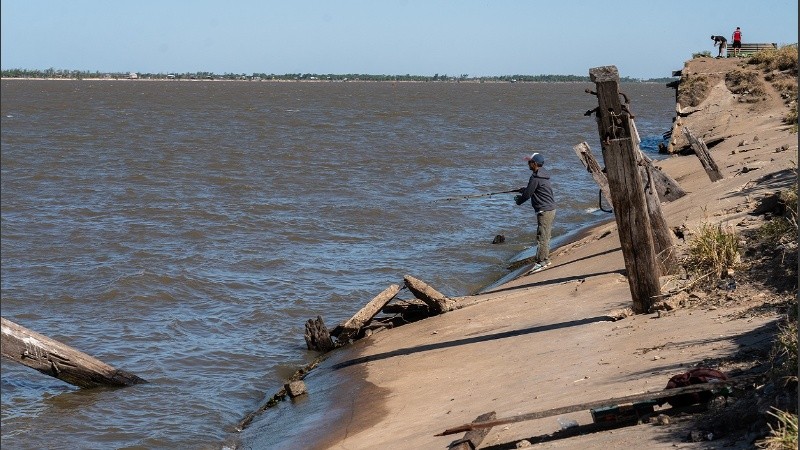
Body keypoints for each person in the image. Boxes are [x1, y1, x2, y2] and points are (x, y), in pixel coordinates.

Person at [514, 152, 556, 274]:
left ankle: (541, 262)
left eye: (530, 162)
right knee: (545, 235)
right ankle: (545, 260)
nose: (528, 164)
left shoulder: (535, 177)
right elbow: (532, 190)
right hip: (550, 209)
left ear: (535, 164)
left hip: (544, 210)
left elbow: (527, 194)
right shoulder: (543, 175)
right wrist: (524, 189)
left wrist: (519, 200)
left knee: (542, 237)